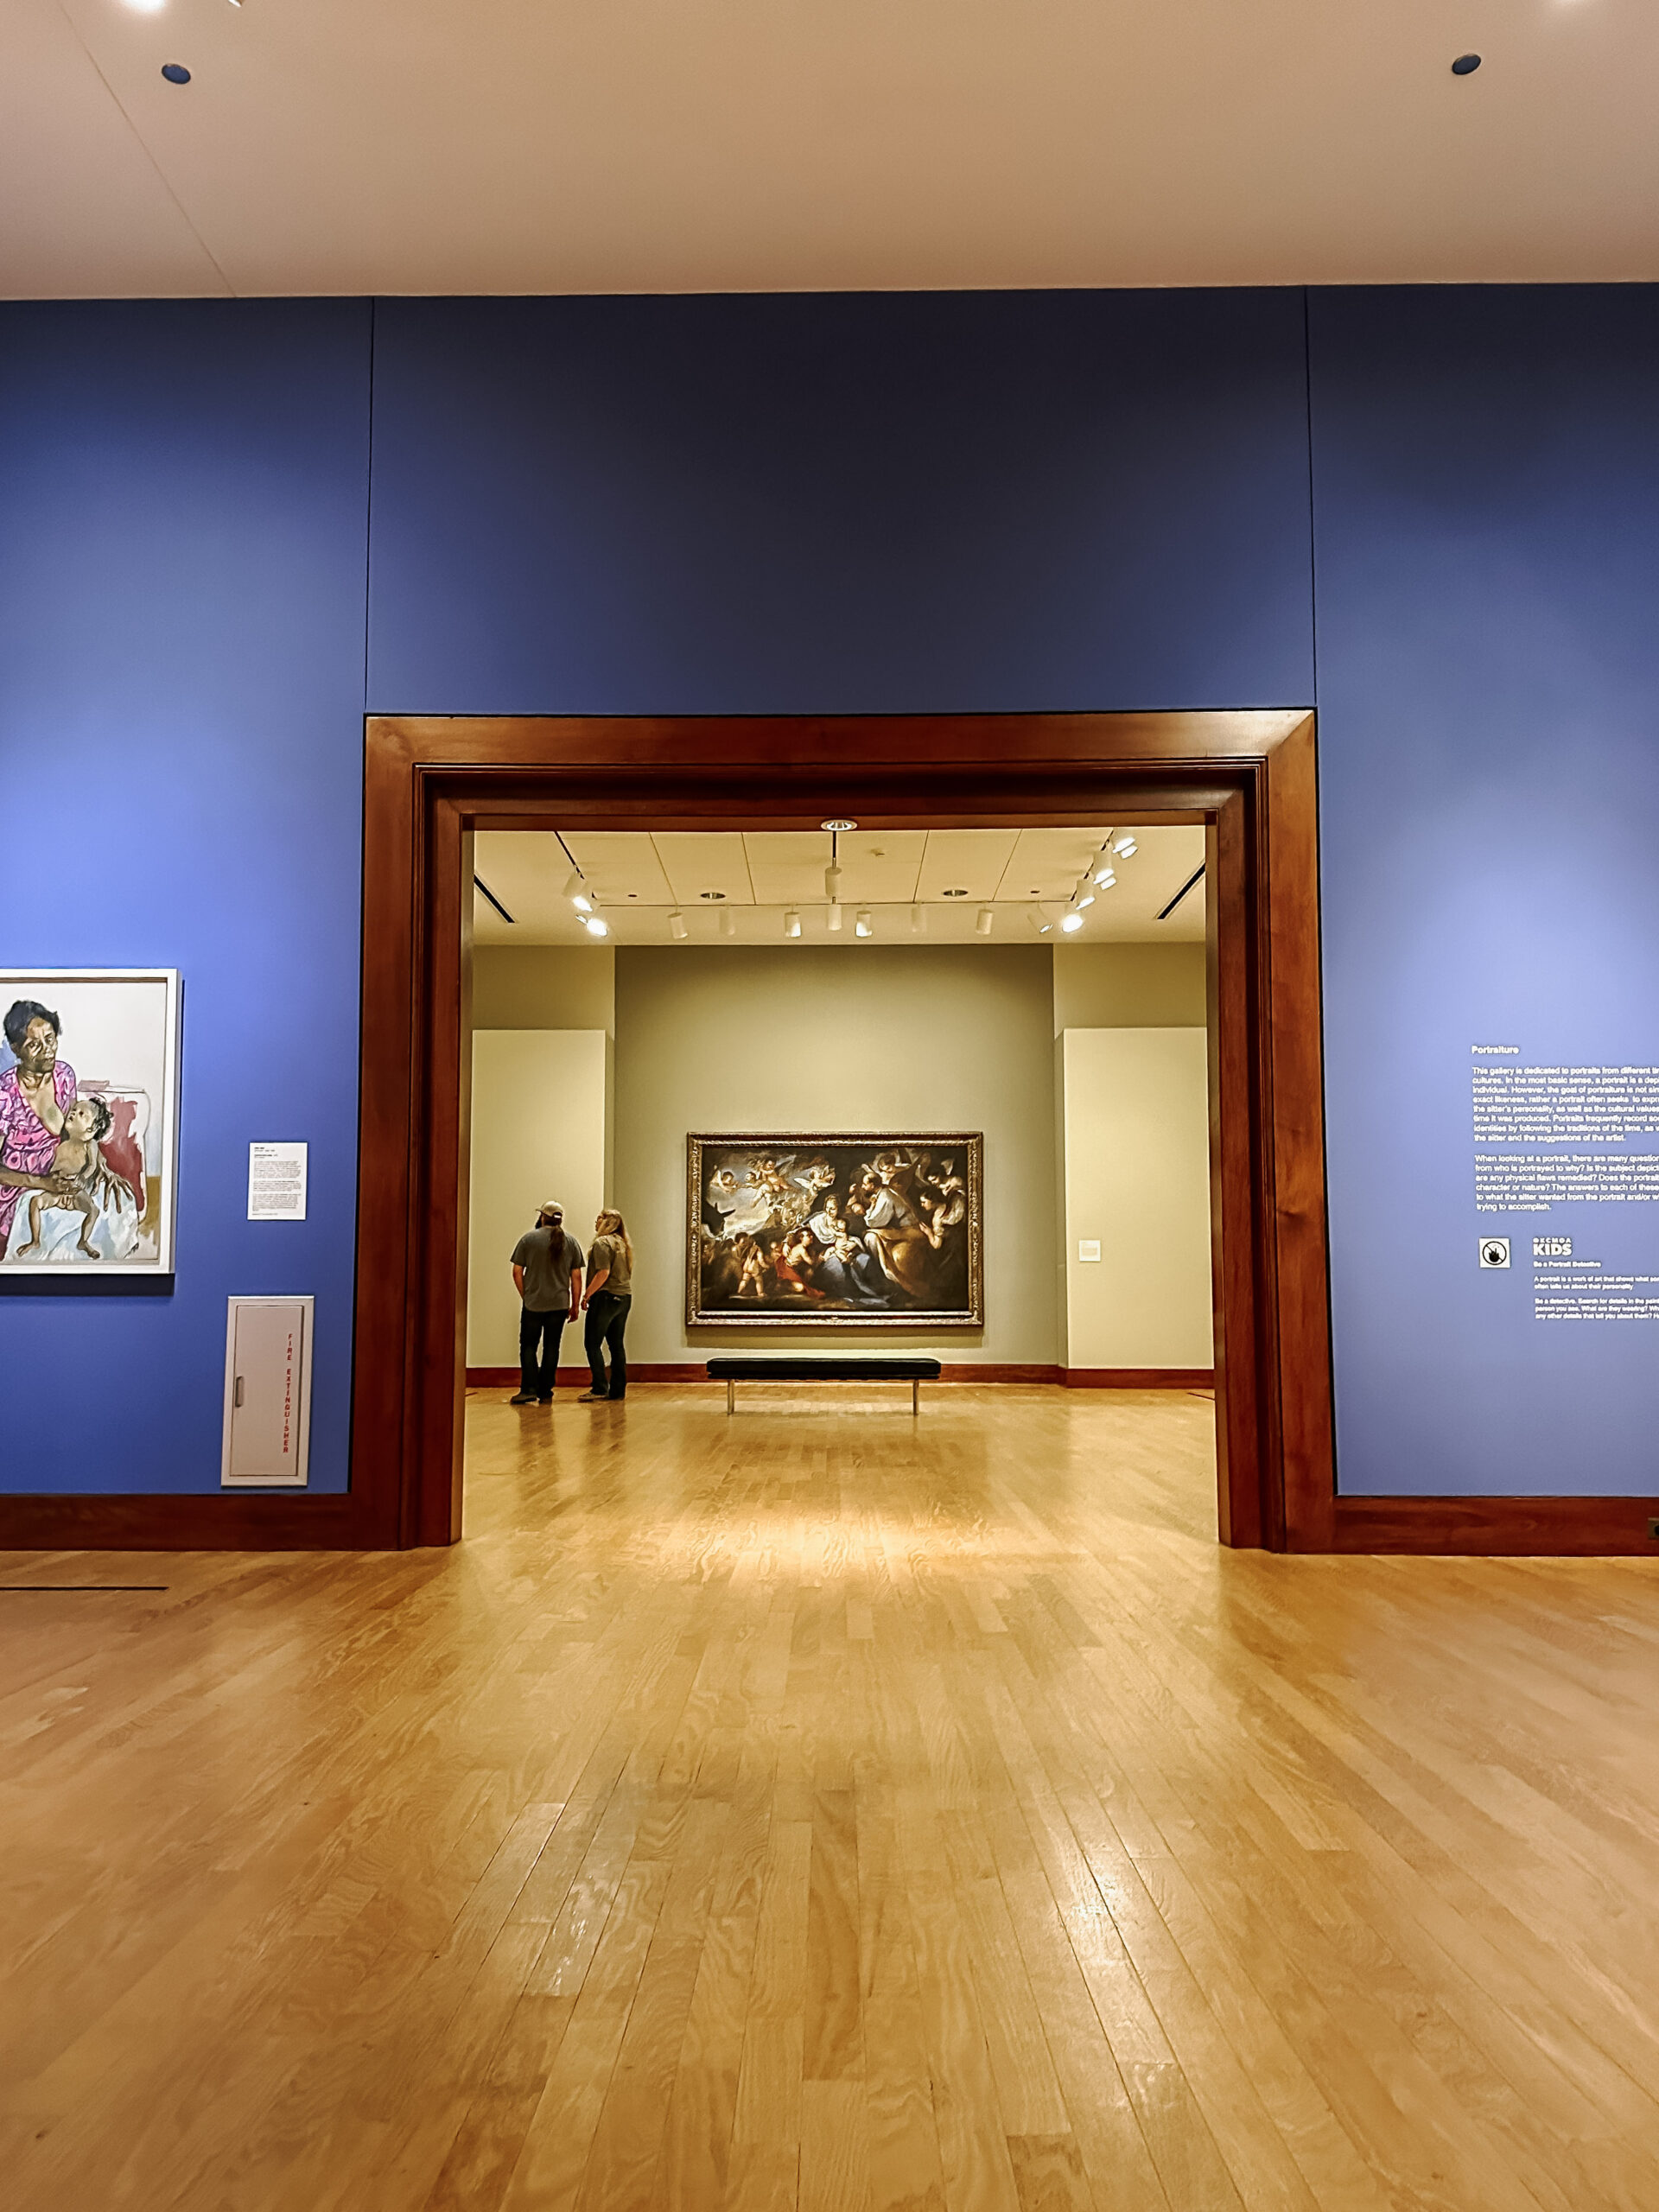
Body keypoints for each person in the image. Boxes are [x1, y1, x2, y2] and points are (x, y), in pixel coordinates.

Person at [0, 1000, 79, 1262]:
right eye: (34, 1044)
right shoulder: (4, 1094)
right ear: (15, 1049)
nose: (47, 1050)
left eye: (50, 1039)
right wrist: (40, 1183)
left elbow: (73, 1138)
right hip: (14, 1195)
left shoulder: (64, 1076)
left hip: (56, 1185)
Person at [509, 1200, 583, 1405]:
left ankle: (528, 1389)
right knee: (552, 1347)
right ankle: (545, 1390)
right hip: (559, 1304)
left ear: (543, 1217)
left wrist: (526, 1295)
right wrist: (575, 1305)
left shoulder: (528, 1239)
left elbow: (517, 1272)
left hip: (533, 1303)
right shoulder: (571, 1242)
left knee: (529, 1346)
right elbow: (576, 1276)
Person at [581, 1208, 633, 1401]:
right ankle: (618, 1390)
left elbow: (603, 1272)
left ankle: (599, 1387)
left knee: (592, 1343)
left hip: (605, 1297)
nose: (595, 1223)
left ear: (606, 1222)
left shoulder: (602, 1243)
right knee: (616, 1344)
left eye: (598, 1219)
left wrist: (587, 1295)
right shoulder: (623, 1244)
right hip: (624, 1297)